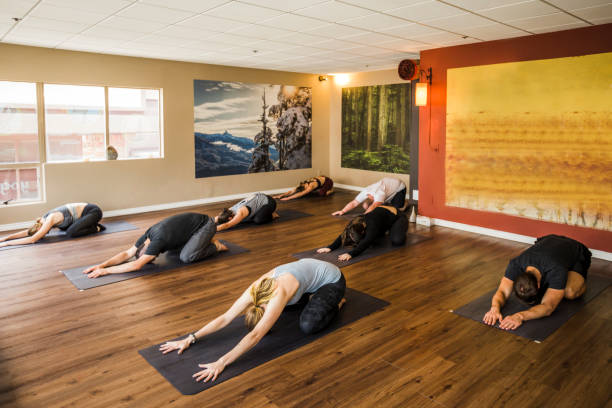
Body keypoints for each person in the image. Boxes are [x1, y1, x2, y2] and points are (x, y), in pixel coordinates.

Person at [159, 258, 346, 383]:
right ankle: (309, 296)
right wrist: (191, 337)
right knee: (292, 309)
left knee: (308, 325)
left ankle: (337, 303)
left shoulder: (277, 295)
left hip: (332, 280)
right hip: (306, 273)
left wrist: (222, 362)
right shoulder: (255, 290)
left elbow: (256, 336)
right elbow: (225, 318)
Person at [483, 234, 592, 330]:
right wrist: (494, 308)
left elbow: (548, 307)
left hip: (576, 250)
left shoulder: (556, 269)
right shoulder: (515, 264)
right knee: (554, 287)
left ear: (539, 284)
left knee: (570, 292)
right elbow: (502, 291)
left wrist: (520, 316)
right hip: (548, 240)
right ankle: (557, 283)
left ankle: (575, 276)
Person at [83, 212, 226, 278]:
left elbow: (136, 265)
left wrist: (106, 271)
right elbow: (127, 254)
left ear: (151, 252)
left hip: (206, 224)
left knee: (186, 257)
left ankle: (215, 246)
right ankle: (203, 240)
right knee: (172, 253)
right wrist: (102, 265)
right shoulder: (147, 236)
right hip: (194, 225)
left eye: (149, 256)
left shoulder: (157, 242)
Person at [318, 205, 408, 262]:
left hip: (398, 216)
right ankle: (385, 228)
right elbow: (344, 234)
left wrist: (351, 254)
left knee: (397, 241)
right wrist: (330, 247)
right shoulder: (355, 222)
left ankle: (394, 227)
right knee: (375, 235)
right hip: (382, 215)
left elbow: (367, 241)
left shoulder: (372, 226)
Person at [0, 203, 104, 248]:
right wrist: (5, 238)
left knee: (71, 232)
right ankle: (89, 223)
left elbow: (32, 239)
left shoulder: (50, 219)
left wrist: (7, 244)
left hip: (93, 211)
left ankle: (97, 227)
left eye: (41, 231)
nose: (43, 233)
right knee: (64, 228)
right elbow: (28, 232)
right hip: (81, 216)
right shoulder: (41, 220)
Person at [332, 177, 406, 216]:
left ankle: (405, 203)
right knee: (376, 206)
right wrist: (342, 211)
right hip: (388, 187)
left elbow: (373, 206)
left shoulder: (379, 194)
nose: (367, 209)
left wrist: (363, 217)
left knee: (397, 209)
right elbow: (354, 203)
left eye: (368, 208)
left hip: (399, 187)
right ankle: (387, 202)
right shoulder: (365, 191)